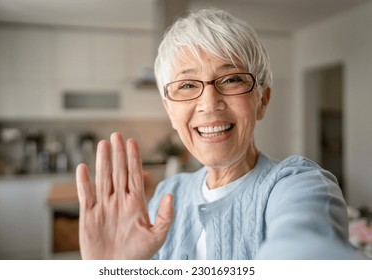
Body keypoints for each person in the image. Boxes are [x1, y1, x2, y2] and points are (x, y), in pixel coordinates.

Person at [75, 8, 359, 260]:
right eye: (186, 85)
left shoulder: (299, 185)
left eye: (232, 79)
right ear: (170, 111)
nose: (209, 103)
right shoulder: (167, 194)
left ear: (262, 100)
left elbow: (306, 247)